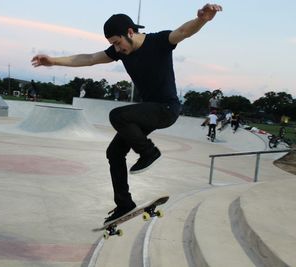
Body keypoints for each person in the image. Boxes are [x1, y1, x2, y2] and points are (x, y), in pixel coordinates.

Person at [31, 3, 222, 224]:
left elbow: (183, 32)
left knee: (118, 116)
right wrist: (53, 61)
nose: (117, 49)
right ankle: (124, 204)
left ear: (130, 32)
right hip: (148, 110)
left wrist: (202, 19)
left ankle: (149, 152)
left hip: (166, 109)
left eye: (118, 42)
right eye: (113, 45)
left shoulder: (159, 41)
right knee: (114, 153)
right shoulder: (120, 51)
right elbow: (89, 58)